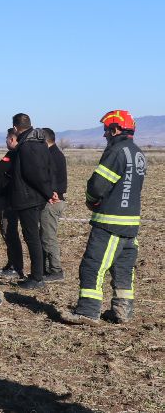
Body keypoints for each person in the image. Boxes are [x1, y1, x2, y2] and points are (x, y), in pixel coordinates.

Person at [63, 110, 146, 325]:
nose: (104, 136)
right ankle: (122, 311)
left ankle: (87, 312)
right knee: (123, 269)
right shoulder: (137, 153)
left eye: (106, 130)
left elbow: (97, 186)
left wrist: (91, 200)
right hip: (131, 223)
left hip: (110, 222)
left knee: (92, 266)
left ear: (116, 129)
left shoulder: (116, 151)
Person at [8, 113, 57, 290]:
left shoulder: (26, 146)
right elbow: (49, 168)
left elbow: (32, 173)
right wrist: (50, 190)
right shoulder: (41, 143)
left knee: (32, 238)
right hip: (38, 197)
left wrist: (48, 191)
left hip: (28, 198)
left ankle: (37, 277)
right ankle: (38, 274)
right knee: (35, 236)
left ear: (15, 128)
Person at [0, 128, 25, 280]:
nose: (5, 140)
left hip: (9, 200)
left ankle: (15, 268)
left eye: (6, 138)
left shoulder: (13, 154)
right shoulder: (21, 153)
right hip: (12, 198)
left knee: (9, 232)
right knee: (9, 233)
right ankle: (12, 264)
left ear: (12, 139)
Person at [41, 127, 67, 282]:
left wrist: (52, 193)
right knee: (45, 236)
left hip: (53, 201)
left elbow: (53, 181)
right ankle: (46, 269)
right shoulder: (54, 154)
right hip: (52, 199)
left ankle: (56, 270)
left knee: (49, 237)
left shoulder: (53, 155)